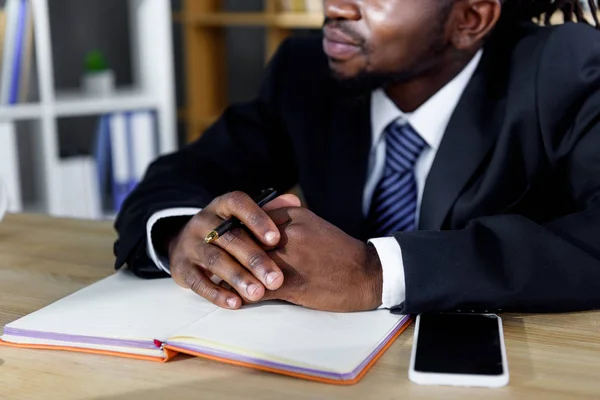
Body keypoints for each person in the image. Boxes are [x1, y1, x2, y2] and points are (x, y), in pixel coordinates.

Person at [114, 0, 600, 314]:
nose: (335, 5)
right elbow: (184, 174)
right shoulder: (304, 70)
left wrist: (376, 271)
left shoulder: (567, 69)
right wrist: (182, 235)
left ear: (469, 19)